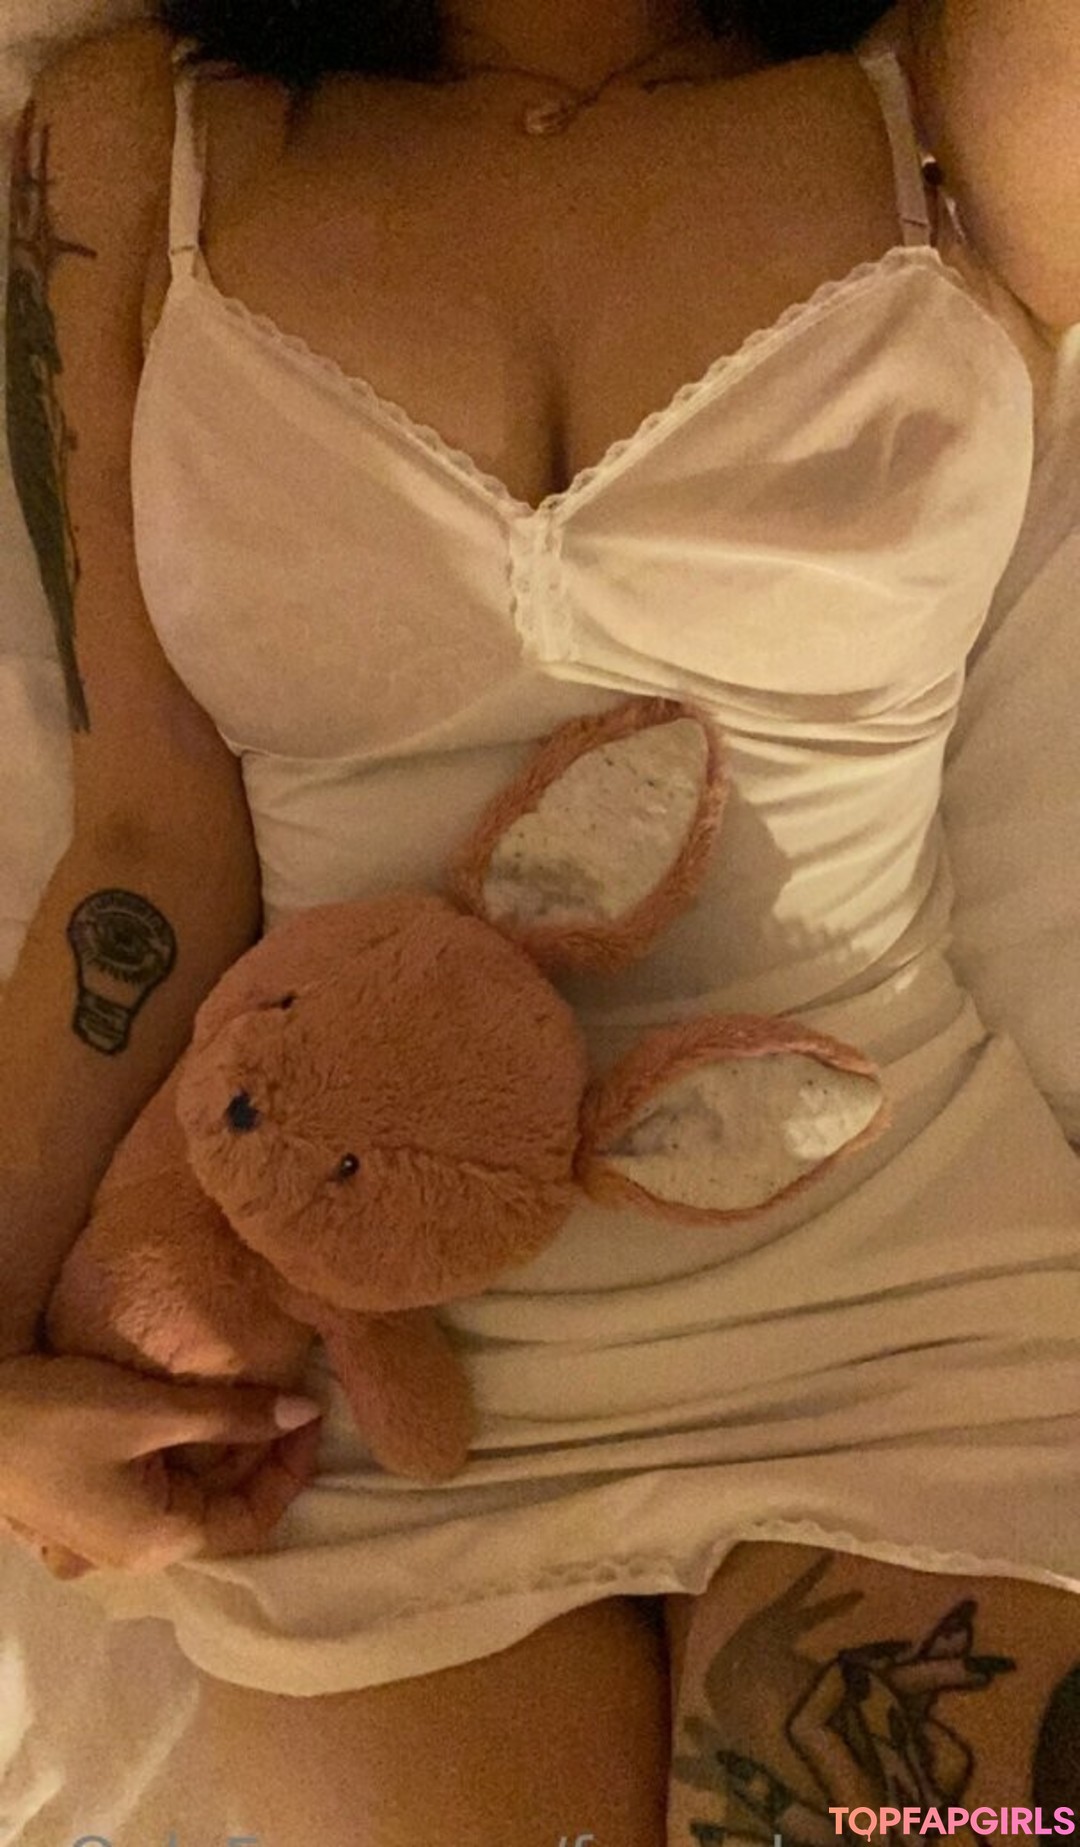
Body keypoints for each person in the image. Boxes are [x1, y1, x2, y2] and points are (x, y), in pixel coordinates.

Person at [2, 0, 1079, 1839]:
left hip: (920, 1318)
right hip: (341, 1401)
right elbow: (139, 853)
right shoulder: (128, 138)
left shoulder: (967, 91)